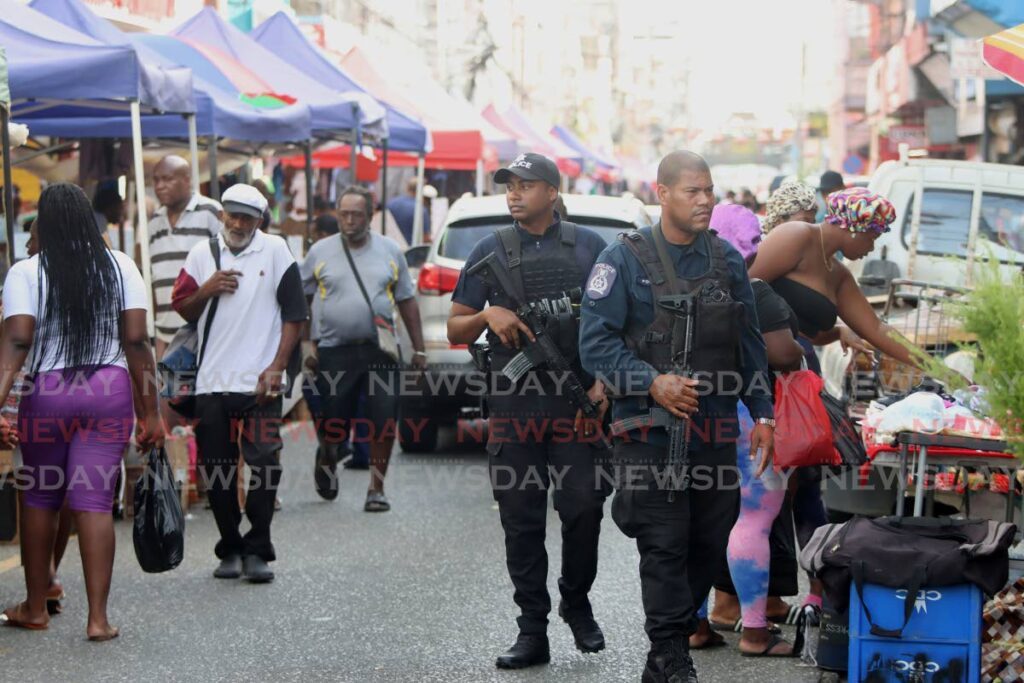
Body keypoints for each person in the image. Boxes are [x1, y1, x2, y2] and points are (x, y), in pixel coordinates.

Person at [579, 151, 775, 683]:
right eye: (693, 191)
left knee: (710, 540)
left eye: (710, 190)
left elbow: (750, 344)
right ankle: (671, 650)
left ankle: (663, 650)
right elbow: (594, 345)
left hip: (713, 428)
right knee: (664, 540)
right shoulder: (622, 259)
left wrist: (764, 415)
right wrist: (652, 381)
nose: (706, 200)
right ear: (662, 194)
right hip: (647, 430)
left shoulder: (726, 260)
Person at [447, 153, 611, 669]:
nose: (514, 194)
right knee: (521, 522)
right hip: (515, 407)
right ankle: (532, 630)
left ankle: (575, 601)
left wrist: (605, 384)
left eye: (526, 185)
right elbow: (454, 329)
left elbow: (619, 325)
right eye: (509, 186)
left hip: (576, 405)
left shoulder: (591, 248)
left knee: (583, 510)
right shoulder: (487, 251)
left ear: (553, 192)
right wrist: (487, 314)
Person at [0, 183, 163, 641]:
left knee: (40, 497)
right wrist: (151, 412)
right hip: (107, 390)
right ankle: (98, 620)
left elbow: (16, 341)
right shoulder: (121, 266)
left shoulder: (26, 272)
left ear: (44, 225)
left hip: (47, 393)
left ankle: (35, 607)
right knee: (93, 502)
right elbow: (136, 341)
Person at [171, 183, 306, 583]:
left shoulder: (276, 250)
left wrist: (277, 366)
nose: (236, 222)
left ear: (259, 220)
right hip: (211, 380)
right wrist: (208, 288)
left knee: (265, 463)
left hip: (260, 382)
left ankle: (258, 547)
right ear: (222, 214)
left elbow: (295, 314)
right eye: (231, 214)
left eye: (246, 216)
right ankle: (229, 544)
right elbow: (182, 307)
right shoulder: (202, 254)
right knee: (217, 469)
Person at [689, 204, 805, 657]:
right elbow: (782, 354)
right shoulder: (753, 290)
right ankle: (755, 632)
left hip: (692, 413)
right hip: (749, 418)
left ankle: (695, 626)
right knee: (753, 520)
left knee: (697, 521)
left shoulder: (678, 285)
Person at [300, 185, 426, 512]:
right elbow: (301, 298)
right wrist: (306, 345)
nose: (350, 220)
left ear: (371, 216)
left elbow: (407, 301)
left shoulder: (390, 251)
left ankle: (376, 489)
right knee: (334, 422)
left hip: (381, 351)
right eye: (344, 214)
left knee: (384, 419)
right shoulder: (320, 251)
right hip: (335, 352)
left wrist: (419, 349)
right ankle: (328, 452)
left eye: (357, 214)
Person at [149, 155, 224, 358]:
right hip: (165, 334)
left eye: (168, 179)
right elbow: (153, 277)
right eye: (156, 180)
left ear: (187, 179)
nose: (160, 186)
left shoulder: (211, 212)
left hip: (203, 330)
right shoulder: (154, 220)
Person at [387, 178, 432, 245]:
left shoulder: (390, 203)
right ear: (422, 190)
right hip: (410, 250)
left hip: (390, 247)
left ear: (407, 188)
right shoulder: (420, 210)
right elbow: (425, 238)